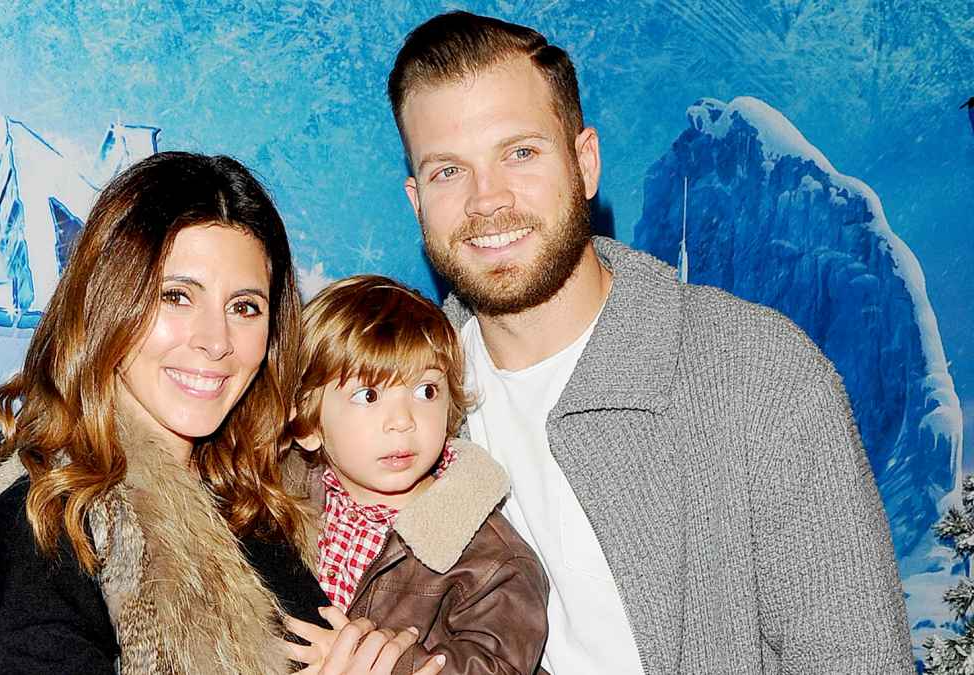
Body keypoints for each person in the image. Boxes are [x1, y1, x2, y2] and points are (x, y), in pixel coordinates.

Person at [385, 11, 914, 674]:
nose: (487, 200)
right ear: (416, 199)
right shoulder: (402, 406)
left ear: (585, 162)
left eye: (520, 152)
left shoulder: (759, 374)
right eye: (447, 172)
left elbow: (855, 657)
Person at [0, 152, 438, 675]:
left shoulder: (253, 508)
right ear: (108, 304)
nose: (216, 341)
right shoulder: (47, 523)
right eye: (176, 296)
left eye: (244, 307)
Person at [281, 275, 548, 674]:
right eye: (368, 395)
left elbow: (500, 665)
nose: (403, 421)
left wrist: (388, 665)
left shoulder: (490, 558)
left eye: (426, 391)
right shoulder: (273, 501)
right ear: (307, 425)